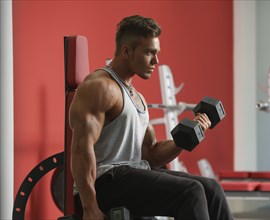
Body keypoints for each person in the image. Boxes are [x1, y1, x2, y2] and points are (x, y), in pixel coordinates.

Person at [69, 15, 234, 220]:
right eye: (149, 53)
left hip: (132, 174)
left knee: (211, 189)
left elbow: (151, 155)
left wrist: (188, 137)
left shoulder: (137, 97)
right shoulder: (100, 87)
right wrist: (90, 207)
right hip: (106, 182)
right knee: (190, 191)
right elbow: (80, 149)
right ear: (126, 51)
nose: (156, 61)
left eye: (157, 53)